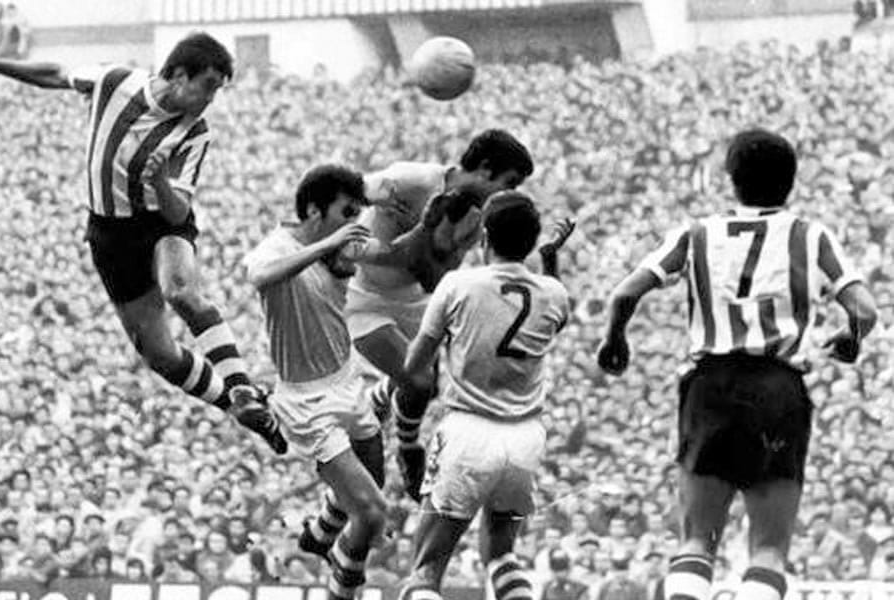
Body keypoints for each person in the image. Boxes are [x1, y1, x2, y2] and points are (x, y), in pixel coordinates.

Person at [596, 129, 877, 600]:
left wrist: (615, 339)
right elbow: (865, 311)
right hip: (778, 389)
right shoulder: (810, 236)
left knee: (696, 541)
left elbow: (624, 293)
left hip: (711, 387)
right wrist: (850, 338)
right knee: (768, 549)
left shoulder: (696, 233)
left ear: (731, 180)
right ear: (791, 181)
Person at [0, 32, 286, 453]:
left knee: (181, 292)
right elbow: (55, 75)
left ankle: (242, 387)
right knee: (160, 355)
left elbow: (178, 212)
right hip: (110, 234)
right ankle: (241, 407)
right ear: (179, 75)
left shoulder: (195, 132)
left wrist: (161, 180)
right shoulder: (116, 83)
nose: (210, 99)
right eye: (207, 86)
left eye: (217, 91)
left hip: (159, 223)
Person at [396, 191, 573, 600]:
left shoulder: (459, 284)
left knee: (426, 566)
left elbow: (414, 364)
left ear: (484, 237)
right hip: (524, 439)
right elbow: (555, 310)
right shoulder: (554, 293)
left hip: (468, 431)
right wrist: (550, 260)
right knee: (501, 555)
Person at [346, 130, 535, 500]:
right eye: (509, 183)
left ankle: (380, 400)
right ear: (485, 169)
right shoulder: (412, 180)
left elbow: (432, 278)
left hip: (413, 301)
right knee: (417, 382)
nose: (507, 194)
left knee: (427, 388)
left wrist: (430, 233)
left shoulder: (476, 220)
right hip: (364, 296)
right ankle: (408, 448)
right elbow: (348, 195)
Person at [242, 164, 389, 600]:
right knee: (372, 514)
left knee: (374, 481)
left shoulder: (343, 244)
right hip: (307, 403)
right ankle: (342, 583)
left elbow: (387, 252)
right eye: (346, 212)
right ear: (312, 210)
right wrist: (327, 243)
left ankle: (320, 535)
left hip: (347, 379)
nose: (353, 222)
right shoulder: (278, 246)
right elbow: (259, 277)